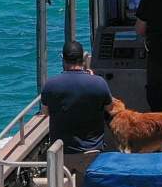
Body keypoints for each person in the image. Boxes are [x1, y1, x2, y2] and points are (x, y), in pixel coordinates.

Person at [40, 41, 113, 177]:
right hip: (92, 153)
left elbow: (45, 112)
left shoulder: (50, 85)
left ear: (63, 58)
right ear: (84, 58)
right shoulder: (99, 83)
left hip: (62, 154)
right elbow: (110, 107)